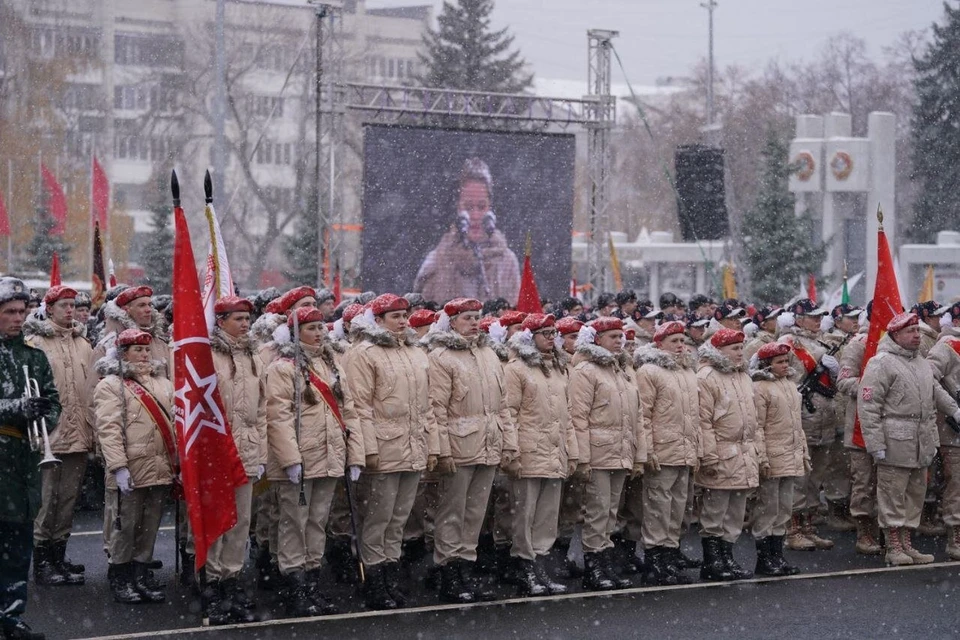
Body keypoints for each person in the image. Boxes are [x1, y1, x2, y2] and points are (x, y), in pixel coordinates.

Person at [265, 306, 364, 617]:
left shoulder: (332, 364)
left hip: (330, 455)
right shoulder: (283, 367)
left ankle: (311, 583)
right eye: (311, 328)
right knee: (295, 523)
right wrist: (291, 459)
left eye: (321, 327)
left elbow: (349, 413)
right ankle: (294, 587)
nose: (319, 332)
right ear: (296, 332)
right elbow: (277, 417)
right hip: (302, 459)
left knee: (317, 523)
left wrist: (355, 455)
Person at [344, 294, 440, 610]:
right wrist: (367, 449)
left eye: (404, 315)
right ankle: (373, 579)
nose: (402, 321)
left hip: (412, 445)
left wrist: (431, 445)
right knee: (378, 516)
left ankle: (390, 573)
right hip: (383, 448)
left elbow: (428, 407)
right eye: (394, 316)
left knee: (398, 518)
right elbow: (360, 406)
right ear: (379, 319)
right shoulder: (364, 353)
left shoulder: (415, 352)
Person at [426, 297, 518, 604]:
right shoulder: (442, 356)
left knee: (475, 513)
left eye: (477, 316)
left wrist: (508, 443)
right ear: (451, 321)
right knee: (452, 512)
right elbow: (436, 407)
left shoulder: (488, 353)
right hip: (458, 443)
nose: (475, 322)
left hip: (487, 444)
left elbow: (502, 406)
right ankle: (448, 571)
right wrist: (441, 450)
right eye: (467, 317)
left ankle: (466, 567)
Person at [858, 312, 960, 565]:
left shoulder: (920, 361)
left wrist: (955, 410)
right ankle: (894, 547)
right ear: (895, 335)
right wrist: (875, 444)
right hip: (894, 439)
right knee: (893, 493)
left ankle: (907, 544)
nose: (916, 335)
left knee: (915, 494)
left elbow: (935, 390)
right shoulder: (881, 362)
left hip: (922, 439)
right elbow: (868, 406)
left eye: (917, 330)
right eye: (910, 331)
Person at [94, 328, 174, 605]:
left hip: (160, 465)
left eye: (146, 349)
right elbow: (109, 428)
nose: (143, 354)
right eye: (136, 349)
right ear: (123, 352)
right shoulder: (111, 384)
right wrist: (118, 466)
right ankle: (121, 577)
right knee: (124, 525)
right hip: (131, 465)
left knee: (149, 524)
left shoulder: (163, 383)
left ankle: (140, 575)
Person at [0, 277, 60, 640]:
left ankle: (11, 615)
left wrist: (42, 415)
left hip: (23, 462)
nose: (17, 318)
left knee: (18, 547)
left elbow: (53, 400)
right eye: (9, 312)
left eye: (22, 311)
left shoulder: (35, 357)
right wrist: (14, 408)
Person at [568, 317, 645, 591]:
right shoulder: (586, 371)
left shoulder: (621, 370)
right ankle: (594, 565)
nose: (619, 341)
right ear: (597, 339)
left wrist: (639, 456)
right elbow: (578, 417)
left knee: (611, 512)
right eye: (612, 336)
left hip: (620, 451)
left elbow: (637, 417)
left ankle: (604, 561)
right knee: (598, 512)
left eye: (620, 336)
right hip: (599, 453)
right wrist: (583, 458)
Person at [23, 286, 93, 587]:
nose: (70, 310)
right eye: (63, 305)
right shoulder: (35, 343)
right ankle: (41, 564)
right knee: (45, 502)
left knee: (67, 501)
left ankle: (58, 556)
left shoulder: (84, 344)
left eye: (72, 305)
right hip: (49, 437)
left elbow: (91, 392)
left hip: (78, 436)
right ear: (49, 309)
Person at [503, 314, 575, 596]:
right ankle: (525, 567)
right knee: (525, 513)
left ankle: (542, 564)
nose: (550, 336)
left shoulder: (558, 368)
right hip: (529, 450)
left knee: (547, 515)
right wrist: (512, 450)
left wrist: (572, 452)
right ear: (529, 337)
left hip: (554, 451)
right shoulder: (517, 369)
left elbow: (567, 416)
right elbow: (509, 413)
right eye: (543, 332)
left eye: (552, 332)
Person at [204, 296, 266, 624]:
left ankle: (231, 579)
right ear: (221, 320)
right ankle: (211, 583)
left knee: (241, 521)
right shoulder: (207, 355)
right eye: (238, 318)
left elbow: (263, 409)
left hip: (248, 448)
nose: (245, 323)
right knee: (217, 520)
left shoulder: (253, 355)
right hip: (217, 451)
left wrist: (263, 451)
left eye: (247, 318)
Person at [634, 321, 702, 585]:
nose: (680, 346)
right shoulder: (650, 371)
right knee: (657, 509)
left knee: (678, 509)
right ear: (659, 343)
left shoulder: (686, 372)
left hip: (684, 451)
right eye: (673, 341)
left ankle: (670, 557)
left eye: (682, 341)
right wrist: (647, 450)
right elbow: (644, 416)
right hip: (662, 452)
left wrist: (696, 449)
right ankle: (655, 562)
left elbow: (695, 416)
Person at [696, 327, 759, 581]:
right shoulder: (707, 376)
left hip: (742, 451)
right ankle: (712, 561)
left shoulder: (742, 376)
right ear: (719, 350)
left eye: (741, 348)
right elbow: (704, 422)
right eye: (734, 348)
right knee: (715, 511)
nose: (739, 353)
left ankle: (727, 557)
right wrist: (709, 456)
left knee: (735, 511)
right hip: (721, 450)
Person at [413, 158, 520, 303]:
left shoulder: (507, 263)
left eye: (481, 207)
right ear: (458, 208)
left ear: (490, 209)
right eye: (468, 207)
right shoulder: (436, 262)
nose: (475, 216)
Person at [779, 299, 840, 551]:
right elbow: (782, 377)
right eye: (812, 316)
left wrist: (833, 372)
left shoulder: (824, 342)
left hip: (824, 419)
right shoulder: (789, 344)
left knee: (817, 476)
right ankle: (792, 529)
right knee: (799, 477)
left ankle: (808, 526)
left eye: (819, 316)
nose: (817, 320)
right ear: (798, 319)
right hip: (803, 416)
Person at [750, 341, 808, 576]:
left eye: (786, 361)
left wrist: (802, 451)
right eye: (779, 362)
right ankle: (764, 559)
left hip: (790, 453)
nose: (785, 365)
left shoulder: (790, 385)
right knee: (767, 508)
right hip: (773, 454)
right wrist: (762, 457)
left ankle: (777, 556)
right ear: (767, 365)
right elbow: (758, 427)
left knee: (784, 507)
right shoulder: (761, 388)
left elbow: (797, 425)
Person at [836, 304, 882, 555]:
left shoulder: (899, 346)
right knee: (863, 483)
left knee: (887, 484)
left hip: (890, 426)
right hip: (861, 424)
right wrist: (873, 387)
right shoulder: (859, 344)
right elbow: (844, 381)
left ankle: (887, 529)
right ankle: (864, 531)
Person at [928, 301, 960, 560]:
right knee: (956, 485)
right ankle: (955, 539)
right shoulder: (946, 346)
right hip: (954, 430)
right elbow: (928, 379)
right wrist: (953, 408)